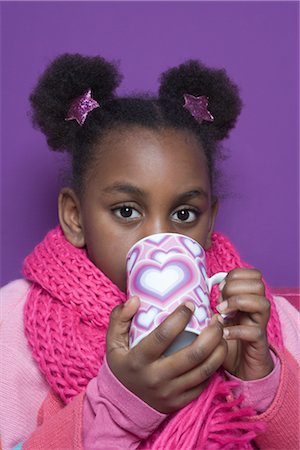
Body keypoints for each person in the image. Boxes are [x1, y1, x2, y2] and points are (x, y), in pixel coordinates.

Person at [0, 54, 299, 450]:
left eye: (184, 213)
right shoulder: (13, 323)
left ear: (209, 223)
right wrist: (119, 406)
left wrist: (263, 381)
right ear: (75, 216)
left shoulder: (265, 319)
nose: (158, 240)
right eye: (127, 211)